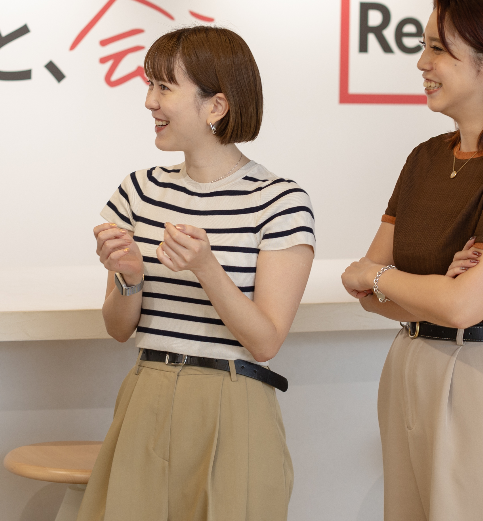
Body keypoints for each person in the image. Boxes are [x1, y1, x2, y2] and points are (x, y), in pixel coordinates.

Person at [340, 0, 483, 521]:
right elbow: (362, 289)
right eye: (424, 46)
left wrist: (385, 279)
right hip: (410, 361)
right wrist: (429, 285)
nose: (422, 62)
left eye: (439, 48)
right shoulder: (425, 158)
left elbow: (462, 305)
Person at [78, 26, 316, 521]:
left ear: (216, 106)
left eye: (164, 87)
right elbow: (118, 328)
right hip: (146, 390)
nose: (150, 101)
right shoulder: (138, 191)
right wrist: (128, 277)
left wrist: (207, 267)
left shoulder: (279, 200)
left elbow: (265, 341)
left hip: (234, 399)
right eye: (150, 85)